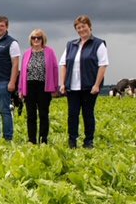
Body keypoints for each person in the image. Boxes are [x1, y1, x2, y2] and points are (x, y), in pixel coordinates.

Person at [59, 15, 108, 149]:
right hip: (72, 87)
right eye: (78, 27)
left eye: (83, 26)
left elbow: (103, 65)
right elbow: (63, 64)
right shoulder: (71, 45)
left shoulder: (98, 44)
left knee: (88, 114)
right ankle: (72, 141)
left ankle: (88, 141)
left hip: (89, 87)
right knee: (72, 114)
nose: (81, 29)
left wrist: (97, 85)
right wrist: (63, 83)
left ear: (89, 27)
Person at [18, 29, 58, 144]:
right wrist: (20, 89)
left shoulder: (49, 52)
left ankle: (43, 139)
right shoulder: (26, 54)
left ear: (42, 39)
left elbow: (55, 69)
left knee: (43, 114)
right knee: (31, 115)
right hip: (29, 86)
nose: (36, 40)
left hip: (43, 87)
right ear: (30, 40)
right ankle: (31, 140)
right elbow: (22, 74)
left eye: (38, 37)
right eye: (33, 38)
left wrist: (55, 87)